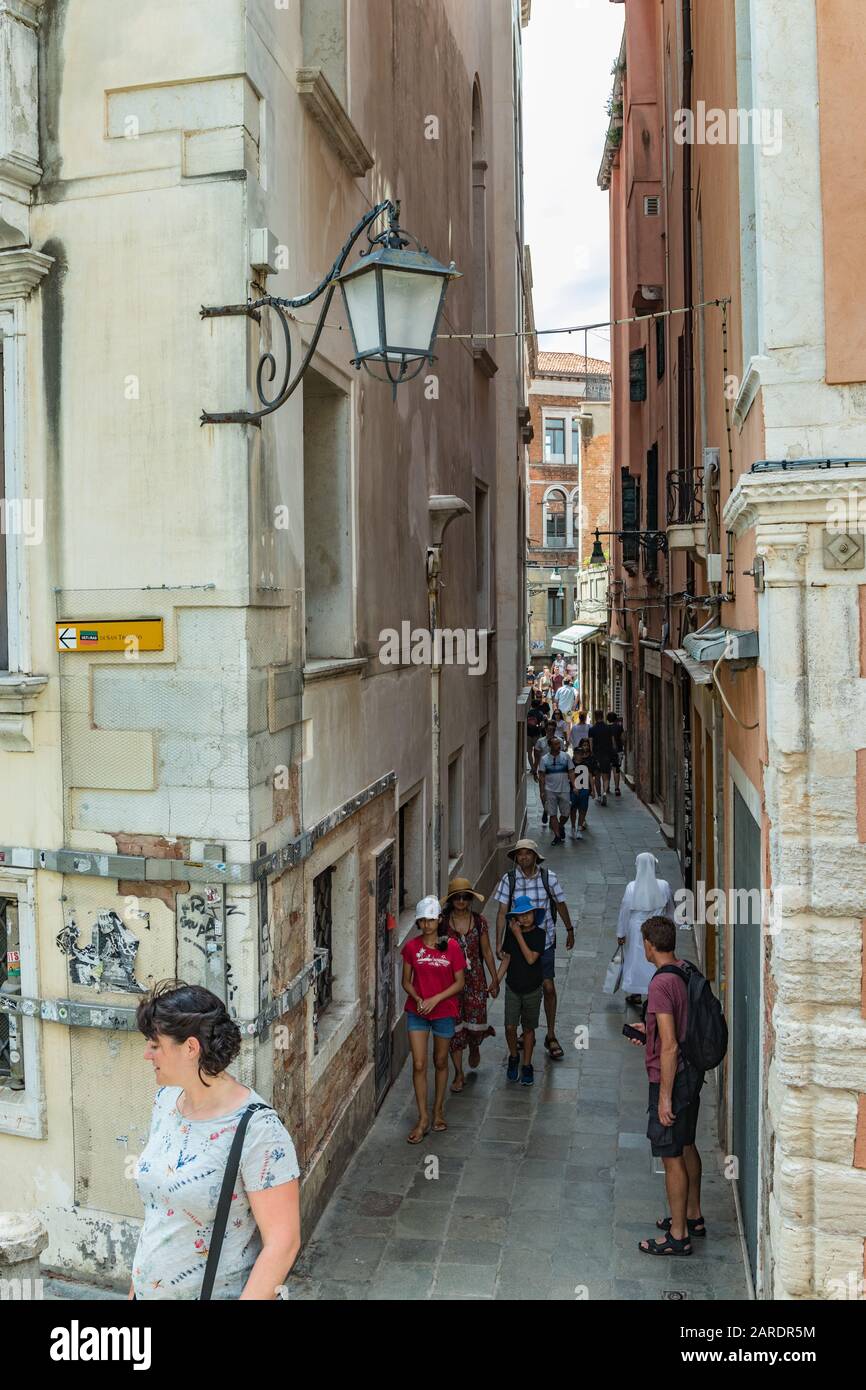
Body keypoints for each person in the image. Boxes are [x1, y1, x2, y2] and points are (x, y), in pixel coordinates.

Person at [132, 981, 301, 1300]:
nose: (147, 1054)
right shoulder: (166, 1102)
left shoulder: (258, 1130)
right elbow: (159, 1216)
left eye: (155, 1045)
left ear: (191, 1048)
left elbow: (283, 1243)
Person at [625, 916, 704, 1256]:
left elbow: (670, 1045)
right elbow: (675, 1027)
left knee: (671, 1155)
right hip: (693, 1070)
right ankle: (692, 1215)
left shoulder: (659, 984)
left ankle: (678, 1235)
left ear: (648, 945)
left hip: (672, 1077)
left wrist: (665, 1098)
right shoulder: (686, 970)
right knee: (686, 1144)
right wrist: (648, 1031)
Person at [494, 839, 575, 1062]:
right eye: (519, 854)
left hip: (544, 941)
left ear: (535, 856)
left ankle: (550, 1034)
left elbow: (560, 904)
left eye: (527, 853)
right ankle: (527, 1030)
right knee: (522, 986)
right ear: (516, 858)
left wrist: (569, 929)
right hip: (518, 944)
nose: (523, 858)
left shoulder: (548, 878)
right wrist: (499, 942)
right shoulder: (509, 880)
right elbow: (502, 912)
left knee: (547, 987)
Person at [401, 896, 466, 1143]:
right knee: (419, 1064)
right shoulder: (411, 948)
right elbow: (406, 981)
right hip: (417, 1012)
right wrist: (418, 997)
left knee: (440, 1060)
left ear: (439, 920)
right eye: (423, 921)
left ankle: (439, 1109)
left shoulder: (452, 947)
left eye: (431, 920)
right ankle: (423, 1117)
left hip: (444, 1012)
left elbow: (460, 982)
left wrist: (435, 999)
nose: (427, 925)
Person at [441, 878, 498, 1091]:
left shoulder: (480, 921)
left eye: (465, 897)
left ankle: (474, 1046)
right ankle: (458, 1073)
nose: (461, 901)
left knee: (475, 1021)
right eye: (457, 897)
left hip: (475, 980)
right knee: (453, 1028)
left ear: (470, 899)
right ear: (452, 900)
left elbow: (487, 951)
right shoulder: (443, 923)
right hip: (450, 982)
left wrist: (494, 978)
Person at [496, 896, 546, 1086]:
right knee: (510, 1026)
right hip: (513, 987)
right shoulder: (511, 935)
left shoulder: (539, 935)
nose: (525, 918)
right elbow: (507, 959)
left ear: (534, 914)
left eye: (528, 914)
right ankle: (514, 1057)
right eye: (521, 915)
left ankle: (527, 1065)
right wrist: (496, 981)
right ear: (515, 918)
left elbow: (531, 958)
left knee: (528, 1029)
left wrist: (518, 935)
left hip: (532, 988)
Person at [616, 853, 677, 1009]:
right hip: (658, 927)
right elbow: (670, 908)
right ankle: (654, 992)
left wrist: (621, 933)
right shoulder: (663, 885)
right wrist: (670, 925)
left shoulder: (631, 887)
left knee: (636, 960)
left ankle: (636, 993)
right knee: (656, 959)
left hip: (637, 930)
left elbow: (624, 911)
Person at [537, 735, 573, 846]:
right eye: (556, 744)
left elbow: (571, 771)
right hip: (550, 790)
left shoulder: (566, 757)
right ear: (550, 746)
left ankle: (560, 825)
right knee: (552, 814)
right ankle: (557, 836)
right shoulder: (544, 759)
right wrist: (542, 791)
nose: (559, 746)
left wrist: (574, 785)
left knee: (566, 813)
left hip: (564, 789)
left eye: (559, 744)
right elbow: (542, 776)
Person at [589, 708, 617, 804]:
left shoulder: (592, 729)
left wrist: (591, 754)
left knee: (597, 777)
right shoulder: (609, 728)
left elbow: (591, 744)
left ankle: (599, 796)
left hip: (597, 755)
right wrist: (613, 753)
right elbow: (613, 743)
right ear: (603, 716)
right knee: (605, 776)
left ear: (595, 717)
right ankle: (605, 792)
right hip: (607, 755)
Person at [568, 737, 594, 840]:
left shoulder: (586, 764)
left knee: (583, 809)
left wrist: (593, 790)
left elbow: (590, 777)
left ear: (583, 755)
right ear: (574, 754)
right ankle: (573, 827)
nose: (578, 756)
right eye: (576, 754)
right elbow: (568, 776)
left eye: (580, 754)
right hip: (573, 790)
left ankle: (579, 828)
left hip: (584, 789)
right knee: (573, 809)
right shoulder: (570, 764)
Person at [607, 711, 624, 796]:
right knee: (616, 769)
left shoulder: (606, 728)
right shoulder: (619, 727)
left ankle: (607, 787)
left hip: (607, 751)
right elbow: (623, 738)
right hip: (618, 751)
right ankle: (617, 788)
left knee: (608, 770)